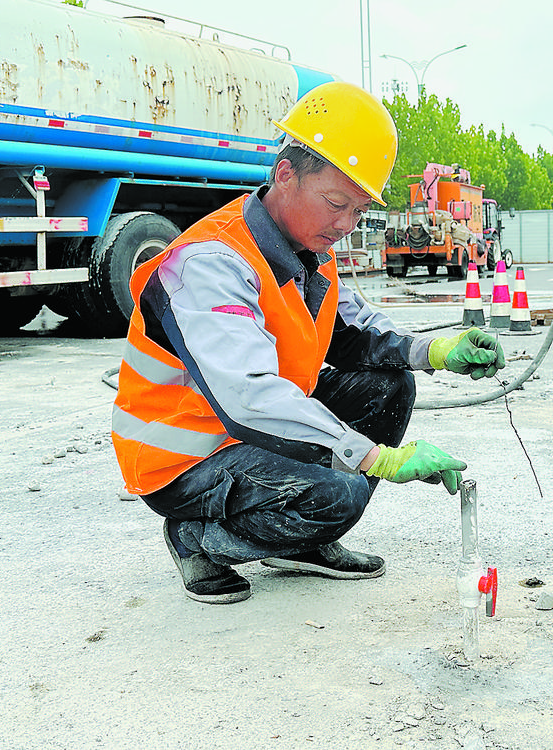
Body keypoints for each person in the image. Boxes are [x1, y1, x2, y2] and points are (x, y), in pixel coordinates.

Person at [111, 81, 506, 604]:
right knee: (340, 492)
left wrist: (434, 351)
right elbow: (249, 398)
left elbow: (353, 331)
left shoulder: (306, 250)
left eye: (359, 212)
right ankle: (195, 538)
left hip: (251, 435)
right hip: (185, 458)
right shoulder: (210, 262)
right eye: (335, 203)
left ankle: (302, 539)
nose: (345, 226)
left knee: (387, 386)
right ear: (285, 174)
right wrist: (375, 458)